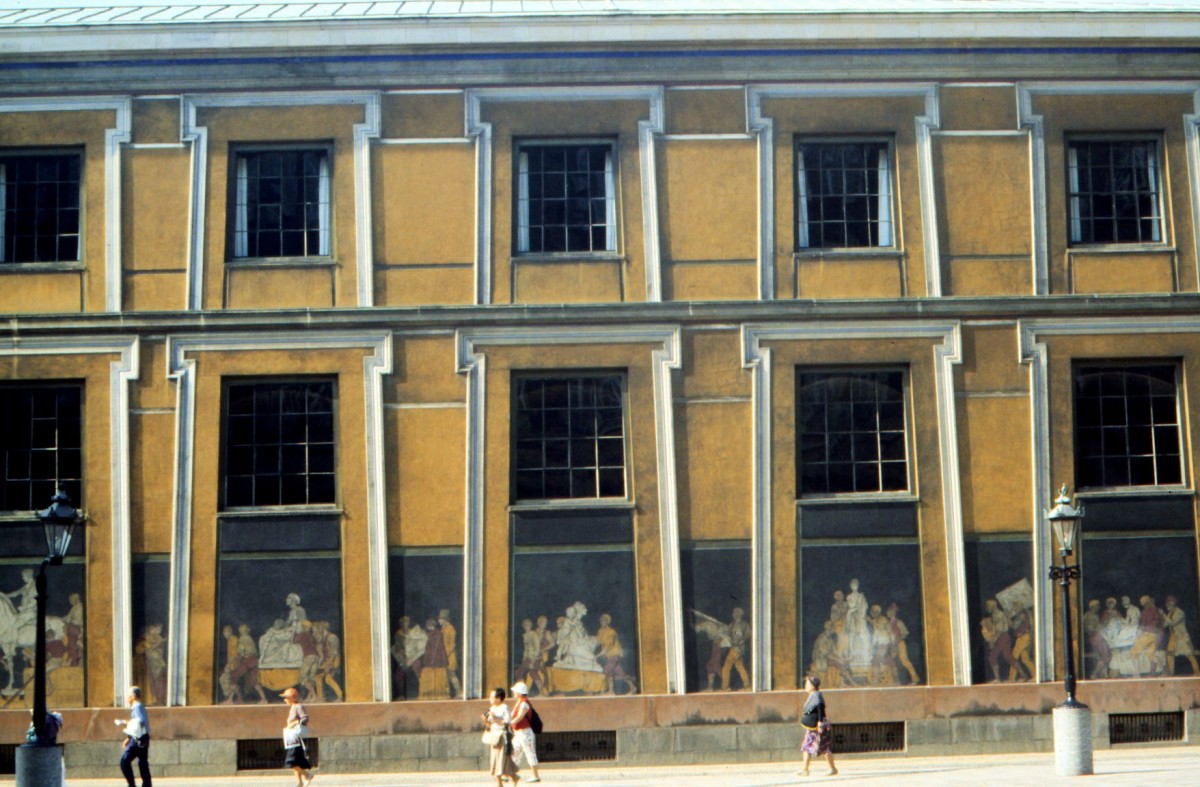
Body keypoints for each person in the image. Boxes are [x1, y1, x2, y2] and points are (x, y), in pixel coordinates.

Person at [798, 674, 837, 777]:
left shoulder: (816, 695)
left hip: (816, 727)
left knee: (811, 747)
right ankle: (831, 768)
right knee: (821, 747)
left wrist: (820, 722)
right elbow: (811, 710)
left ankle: (806, 770)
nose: (805, 686)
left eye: (807, 684)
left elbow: (820, 709)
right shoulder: (813, 696)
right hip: (813, 727)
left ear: (813, 685)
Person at [482, 687, 520, 787]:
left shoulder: (505, 708)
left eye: (492, 697)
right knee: (494, 760)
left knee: (502, 760)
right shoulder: (491, 708)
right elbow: (489, 724)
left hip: (503, 737)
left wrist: (495, 717)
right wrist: (486, 720)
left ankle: (513, 777)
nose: (490, 699)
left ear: (498, 698)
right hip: (494, 738)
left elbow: (507, 723)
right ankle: (500, 783)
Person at [114, 685, 152, 787]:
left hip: (138, 739)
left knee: (124, 761)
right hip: (142, 737)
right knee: (142, 763)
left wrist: (126, 724)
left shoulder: (137, 707)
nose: (127, 698)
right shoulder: (139, 707)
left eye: (128, 696)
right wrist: (128, 737)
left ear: (133, 696)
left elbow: (140, 722)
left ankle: (132, 785)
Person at [281, 687, 315, 786]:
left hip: (296, 739)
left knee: (291, 761)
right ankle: (299, 782)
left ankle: (307, 775)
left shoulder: (298, 706)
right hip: (292, 739)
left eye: (286, 698)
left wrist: (295, 723)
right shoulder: (293, 707)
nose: (285, 700)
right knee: (296, 762)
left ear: (291, 698)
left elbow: (305, 718)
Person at [509, 681, 542, 783]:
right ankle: (510, 773)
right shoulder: (519, 702)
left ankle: (535, 775)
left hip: (525, 732)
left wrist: (510, 723)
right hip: (518, 732)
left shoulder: (524, 703)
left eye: (515, 692)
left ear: (519, 693)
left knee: (529, 752)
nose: (514, 693)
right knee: (515, 751)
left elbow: (520, 717)